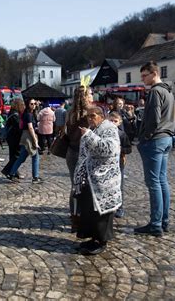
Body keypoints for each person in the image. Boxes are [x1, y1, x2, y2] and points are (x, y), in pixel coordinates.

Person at [73, 106, 121, 255]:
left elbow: (109, 149)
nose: (90, 119)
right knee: (90, 210)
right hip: (91, 178)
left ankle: (101, 241)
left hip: (104, 179)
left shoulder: (109, 128)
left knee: (101, 214)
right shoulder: (94, 128)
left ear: (101, 116)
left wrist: (88, 136)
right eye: (88, 116)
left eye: (93, 116)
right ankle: (93, 238)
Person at [135, 61, 175, 237]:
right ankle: (163, 221)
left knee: (154, 183)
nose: (142, 79)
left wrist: (145, 138)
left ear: (154, 73)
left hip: (156, 139)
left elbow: (153, 119)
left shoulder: (156, 92)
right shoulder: (168, 91)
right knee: (161, 181)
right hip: (166, 138)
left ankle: (156, 224)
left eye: (145, 75)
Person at [66, 85, 93, 232]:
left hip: (71, 152)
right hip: (82, 154)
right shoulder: (89, 114)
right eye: (90, 94)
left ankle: (74, 216)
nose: (92, 97)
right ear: (85, 97)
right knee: (84, 187)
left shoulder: (70, 112)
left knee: (75, 186)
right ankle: (81, 217)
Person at [7, 98, 43, 184]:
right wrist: (35, 140)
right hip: (28, 137)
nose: (34, 105)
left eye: (34, 103)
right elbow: (30, 128)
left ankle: (11, 173)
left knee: (21, 157)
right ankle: (35, 177)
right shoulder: (28, 114)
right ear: (27, 104)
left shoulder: (26, 113)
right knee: (35, 156)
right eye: (31, 104)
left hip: (25, 136)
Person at [108, 112, 132, 218]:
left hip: (119, 163)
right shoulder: (105, 133)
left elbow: (129, 149)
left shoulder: (122, 134)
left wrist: (120, 148)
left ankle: (120, 207)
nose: (113, 123)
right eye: (111, 121)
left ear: (119, 122)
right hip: (107, 164)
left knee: (119, 186)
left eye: (115, 121)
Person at [1, 98, 24, 178]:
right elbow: (18, 127)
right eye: (22, 105)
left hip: (11, 137)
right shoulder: (15, 114)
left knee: (13, 155)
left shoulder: (13, 112)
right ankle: (8, 170)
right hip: (14, 138)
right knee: (17, 155)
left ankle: (14, 171)